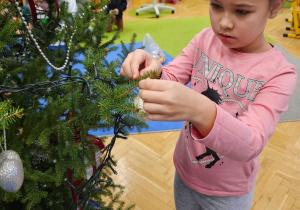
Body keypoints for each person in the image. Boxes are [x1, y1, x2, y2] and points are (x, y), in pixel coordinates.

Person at [120, 0, 297, 209]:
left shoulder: (279, 73)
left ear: (274, 8)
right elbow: (172, 76)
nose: (224, 23)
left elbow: (251, 143)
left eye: (241, 11)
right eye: (216, 6)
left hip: (228, 193)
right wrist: (153, 70)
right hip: (185, 172)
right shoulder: (204, 39)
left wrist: (200, 110)